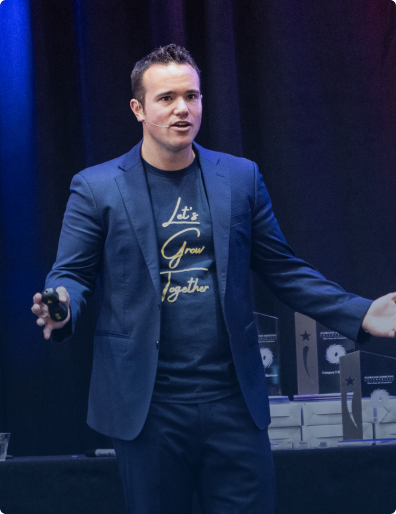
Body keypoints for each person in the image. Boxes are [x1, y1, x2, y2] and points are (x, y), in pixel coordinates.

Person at [32, 44, 396, 514]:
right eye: (166, 98)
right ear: (138, 109)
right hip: (148, 411)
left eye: (192, 96)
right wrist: (62, 305)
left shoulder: (240, 178)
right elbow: (72, 275)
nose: (183, 108)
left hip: (233, 406)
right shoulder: (97, 186)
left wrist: (362, 312)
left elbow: (283, 269)